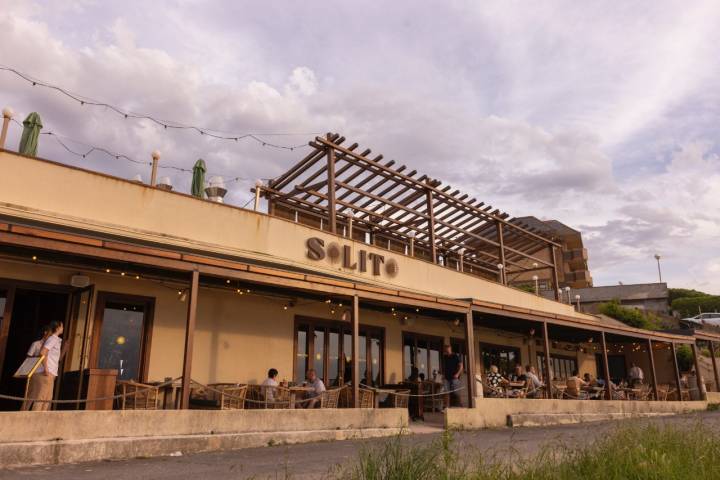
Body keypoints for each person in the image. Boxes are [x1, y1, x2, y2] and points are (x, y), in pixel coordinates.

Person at [27, 321, 63, 411]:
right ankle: (34, 421)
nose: (63, 328)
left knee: (46, 400)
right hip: (45, 373)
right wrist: (46, 369)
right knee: (41, 399)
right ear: (58, 328)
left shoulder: (56, 340)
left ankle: (41, 422)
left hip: (50, 373)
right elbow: (43, 352)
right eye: (62, 326)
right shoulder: (53, 338)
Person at [21, 325, 52, 411]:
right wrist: (39, 357)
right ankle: (23, 413)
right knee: (31, 394)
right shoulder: (36, 344)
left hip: (46, 374)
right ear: (45, 332)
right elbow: (28, 356)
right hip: (35, 372)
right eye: (50, 334)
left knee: (44, 397)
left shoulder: (51, 346)